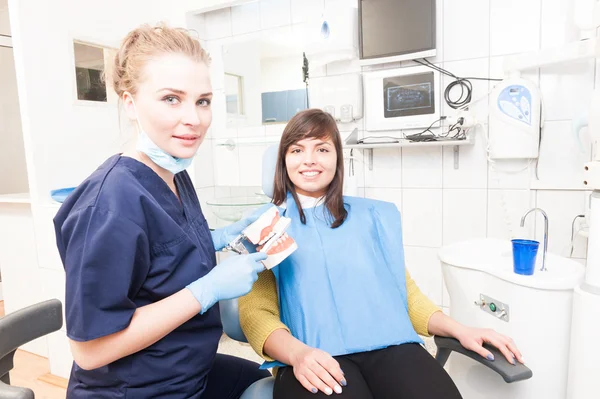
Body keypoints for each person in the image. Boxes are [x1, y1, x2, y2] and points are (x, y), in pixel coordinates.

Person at [238, 109, 525, 398]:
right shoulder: (266, 226)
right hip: (311, 353)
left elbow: (405, 295)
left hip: (389, 346)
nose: (310, 159)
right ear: (284, 160)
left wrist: (460, 329)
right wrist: (298, 354)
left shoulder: (371, 217)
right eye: (297, 149)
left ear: (337, 157)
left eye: (322, 148)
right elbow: (256, 314)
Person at [53, 23, 271, 398]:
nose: (194, 118)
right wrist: (208, 290)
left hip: (188, 367)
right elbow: (89, 352)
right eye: (172, 98)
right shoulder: (110, 202)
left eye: (202, 101)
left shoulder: (174, 172)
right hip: (138, 389)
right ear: (130, 102)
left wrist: (222, 236)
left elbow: (165, 252)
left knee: (272, 382)